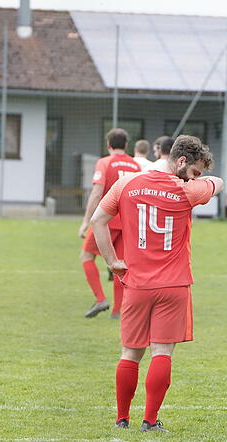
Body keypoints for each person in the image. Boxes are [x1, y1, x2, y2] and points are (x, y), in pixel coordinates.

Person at [90, 135, 224, 433]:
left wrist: (112, 261)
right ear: (181, 161)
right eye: (194, 171)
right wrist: (199, 182)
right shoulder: (187, 190)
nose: (194, 178)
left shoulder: (127, 184)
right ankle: (149, 421)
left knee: (130, 353)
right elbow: (219, 183)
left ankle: (122, 419)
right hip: (174, 286)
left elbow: (97, 220)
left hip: (136, 283)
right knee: (162, 352)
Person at [78, 128, 141, 319]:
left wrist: (86, 221)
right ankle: (117, 311)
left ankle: (100, 299)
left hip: (105, 220)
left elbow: (97, 193)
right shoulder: (135, 165)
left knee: (86, 256)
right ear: (126, 145)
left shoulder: (104, 162)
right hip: (127, 222)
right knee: (120, 265)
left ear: (108, 145)